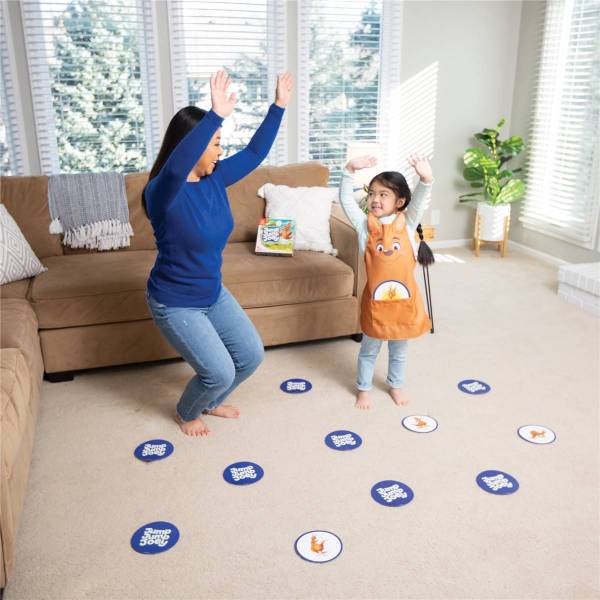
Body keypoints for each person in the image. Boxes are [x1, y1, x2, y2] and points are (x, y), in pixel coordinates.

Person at [143, 69, 293, 436]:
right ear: (191, 146)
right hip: (175, 302)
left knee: (251, 356)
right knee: (219, 372)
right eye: (214, 144)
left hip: (212, 294)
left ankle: (208, 401)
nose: (220, 151)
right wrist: (214, 116)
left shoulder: (215, 178)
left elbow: (255, 152)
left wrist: (278, 106)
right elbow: (176, 167)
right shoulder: (162, 193)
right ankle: (186, 412)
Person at [339, 154, 434, 410]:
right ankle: (363, 389)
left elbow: (420, 200)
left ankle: (395, 385)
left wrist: (425, 179)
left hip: (404, 304)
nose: (375, 199)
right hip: (376, 306)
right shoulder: (363, 226)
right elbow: (346, 200)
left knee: (399, 351)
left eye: (383, 195)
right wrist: (349, 170)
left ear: (399, 202)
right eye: (372, 193)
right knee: (369, 351)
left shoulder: (408, 224)